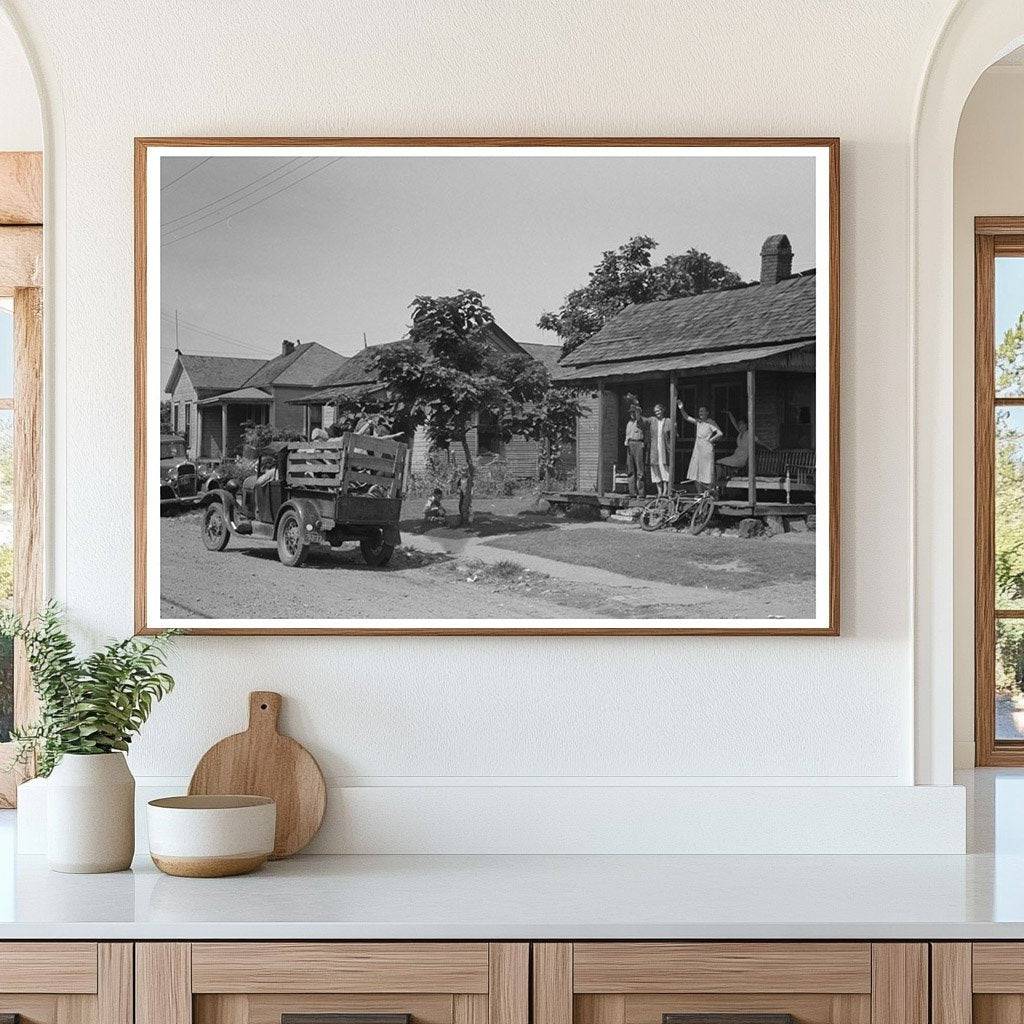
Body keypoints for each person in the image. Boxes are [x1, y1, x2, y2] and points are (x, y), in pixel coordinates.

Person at [677, 402, 723, 486]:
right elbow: (686, 417)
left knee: (706, 471)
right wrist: (681, 408)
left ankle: (708, 493)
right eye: (699, 411)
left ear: (707, 412)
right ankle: (700, 494)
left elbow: (720, 433)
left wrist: (711, 440)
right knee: (696, 472)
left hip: (707, 449)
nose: (700, 413)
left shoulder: (710, 422)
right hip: (698, 449)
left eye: (702, 411)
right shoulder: (699, 422)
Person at [646, 403, 674, 497]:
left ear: (662, 410)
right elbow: (642, 421)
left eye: (658, 410)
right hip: (655, 448)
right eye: (655, 411)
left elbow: (673, 435)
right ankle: (659, 492)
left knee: (664, 469)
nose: (657, 412)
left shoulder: (669, 421)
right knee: (655, 469)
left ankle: (666, 491)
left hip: (664, 449)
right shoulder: (652, 420)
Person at [623, 404, 648, 497]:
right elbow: (627, 435)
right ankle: (632, 492)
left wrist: (638, 412)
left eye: (634, 412)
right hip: (630, 445)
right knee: (630, 469)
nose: (632, 414)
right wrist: (626, 442)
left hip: (638, 444)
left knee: (640, 470)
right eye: (631, 413)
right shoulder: (629, 423)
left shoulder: (640, 421)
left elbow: (641, 421)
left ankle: (641, 493)